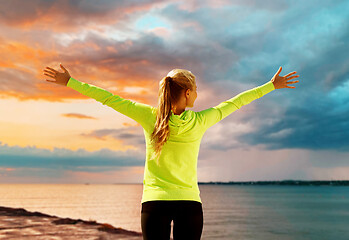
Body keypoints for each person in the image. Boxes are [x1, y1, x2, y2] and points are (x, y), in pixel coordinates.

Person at [43, 64, 300, 240]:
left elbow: (109, 98)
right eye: (196, 90)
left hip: (154, 203)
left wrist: (70, 82)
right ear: (187, 93)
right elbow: (236, 102)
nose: (197, 94)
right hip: (189, 203)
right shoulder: (201, 120)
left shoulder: (149, 116)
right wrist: (270, 86)